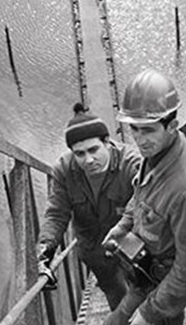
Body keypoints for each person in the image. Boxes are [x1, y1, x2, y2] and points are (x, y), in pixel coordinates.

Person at [94, 69, 186, 325]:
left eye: (147, 130)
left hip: (161, 283)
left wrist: (149, 311)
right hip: (144, 266)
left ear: (171, 125)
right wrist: (122, 227)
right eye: (134, 129)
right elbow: (140, 195)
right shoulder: (159, 150)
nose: (138, 139)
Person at [36, 103, 141, 310]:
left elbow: (146, 200)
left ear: (107, 142)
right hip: (93, 247)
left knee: (142, 287)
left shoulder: (131, 163)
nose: (89, 159)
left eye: (94, 150)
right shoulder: (64, 170)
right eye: (80, 153)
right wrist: (45, 250)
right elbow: (57, 213)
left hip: (128, 240)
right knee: (114, 292)